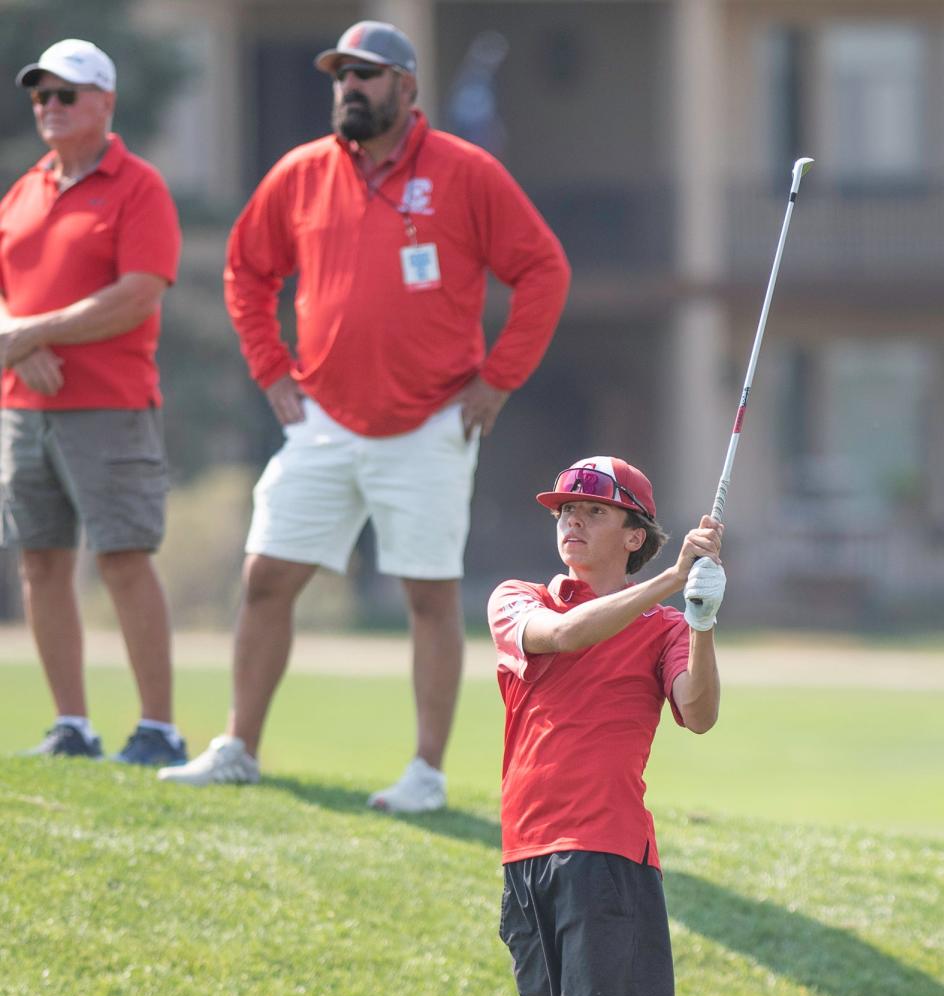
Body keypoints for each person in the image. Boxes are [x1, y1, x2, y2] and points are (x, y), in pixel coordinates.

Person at [160, 20, 569, 808]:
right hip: (324, 418)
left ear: (407, 89)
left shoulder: (465, 171)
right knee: (267, 576)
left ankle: (425, 773)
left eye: (368, 74)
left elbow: (543, 270)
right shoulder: (303, 172)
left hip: (432, 421)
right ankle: (239, 746)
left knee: (428, 596)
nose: (350, 85)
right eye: (342, 73)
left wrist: (499, 379)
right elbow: (246, 269)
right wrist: (271, 370)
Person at [479, 456, 761, 996]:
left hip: (604, 853)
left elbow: (700, 712)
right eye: (565, 507)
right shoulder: (519, 598)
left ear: (634, 535)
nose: (572, 520)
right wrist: (673, 583)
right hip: (527, 856)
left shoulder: (668, 624)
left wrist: (703, 619)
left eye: (595, 512)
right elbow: (563, 641)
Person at [0, 39, 186, 766]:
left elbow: (137, 294)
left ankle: (159, 730)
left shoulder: (138, 186)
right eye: (41, 94)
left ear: (104, 103)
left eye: (66, 94)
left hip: (109, 405)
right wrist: (21, 342)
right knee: (40, 562)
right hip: (23, 408)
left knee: (123, 559)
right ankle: (71, 725)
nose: (50, 106)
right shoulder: (22, 191)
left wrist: (27, 334)